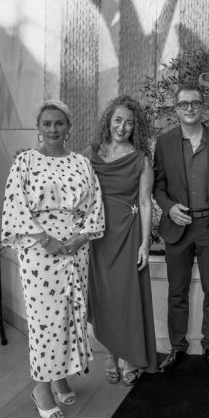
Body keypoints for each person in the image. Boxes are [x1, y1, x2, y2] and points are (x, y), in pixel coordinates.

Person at [1, 100, 105, 418]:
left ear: (68, 127)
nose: (53, 129)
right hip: (39, 251)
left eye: (59, 123)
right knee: (44, 322)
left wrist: (81, 237)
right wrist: (46, 239)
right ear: (38, 128)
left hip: (75, 249)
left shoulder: (81, 163)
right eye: (47, 123)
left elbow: (95, 205)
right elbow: (15, 206)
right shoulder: (25, 161)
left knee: (69, 317)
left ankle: (59, 377)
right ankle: (41, 388)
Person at [153, 84, 209, 372]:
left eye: (195, 103)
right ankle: (177, 348)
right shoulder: (165, 142)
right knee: (177, 292)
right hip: (178, 227)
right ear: (176, 109)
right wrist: (169, 207)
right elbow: (158, 186)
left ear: (203, 107)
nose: (189, 108)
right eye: (183, 104)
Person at [83, 95, 157, 386]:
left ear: (135, 127)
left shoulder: (141, 159)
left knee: (126, 296)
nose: (122, 127)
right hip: (97, 236)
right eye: (118, 120)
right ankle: (111, 354)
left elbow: (146, 203)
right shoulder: (91, 153)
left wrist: (145, 244)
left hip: (127, 234)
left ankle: (128, 357)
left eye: (129, 122)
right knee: (104, 296)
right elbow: (69, 181)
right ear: (109, 121)